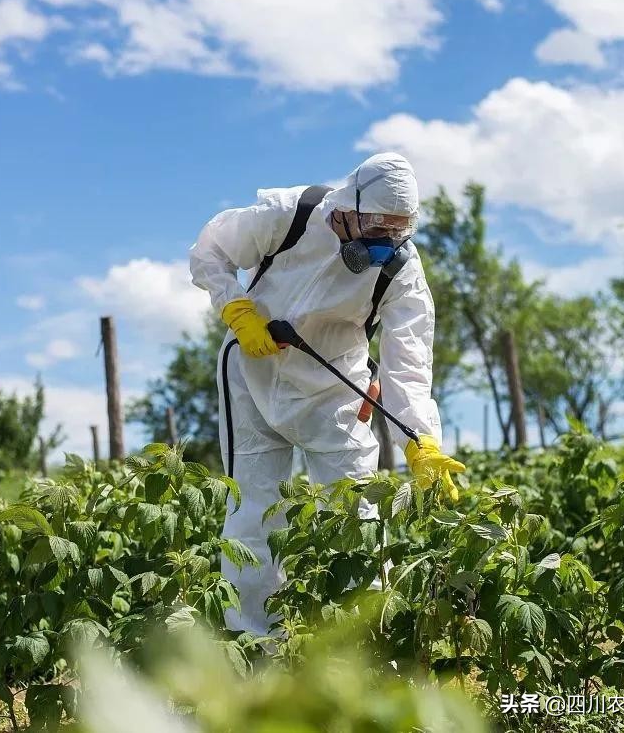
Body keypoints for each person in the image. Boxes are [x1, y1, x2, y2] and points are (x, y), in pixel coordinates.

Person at [189, 151, 465, 635]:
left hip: (336, 388)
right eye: (376, 228)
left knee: (357, 513)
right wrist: (236, 308)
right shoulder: (290, 214)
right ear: (348, 205)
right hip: (253, 370)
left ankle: (361, 647)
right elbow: (210, 250)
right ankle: (255, 645)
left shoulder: (402, 270)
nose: (385, 242)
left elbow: (409, 359)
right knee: (253, 513)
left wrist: (420, 440)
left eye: (398, 231)